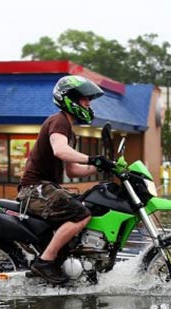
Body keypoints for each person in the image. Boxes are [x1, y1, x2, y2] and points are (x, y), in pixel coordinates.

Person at [17, 75, 116, 284]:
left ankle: (66, 257)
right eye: (85, 99)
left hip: (46, 188)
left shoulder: (69, 129)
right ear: (70, 99)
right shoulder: (59, 121)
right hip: (35, 189)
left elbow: (72, 170)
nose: (89, 104)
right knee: (81, 214)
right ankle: (46, 260)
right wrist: (93, 159)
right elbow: (60, 150)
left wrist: (101, 167)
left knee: (84, 203)